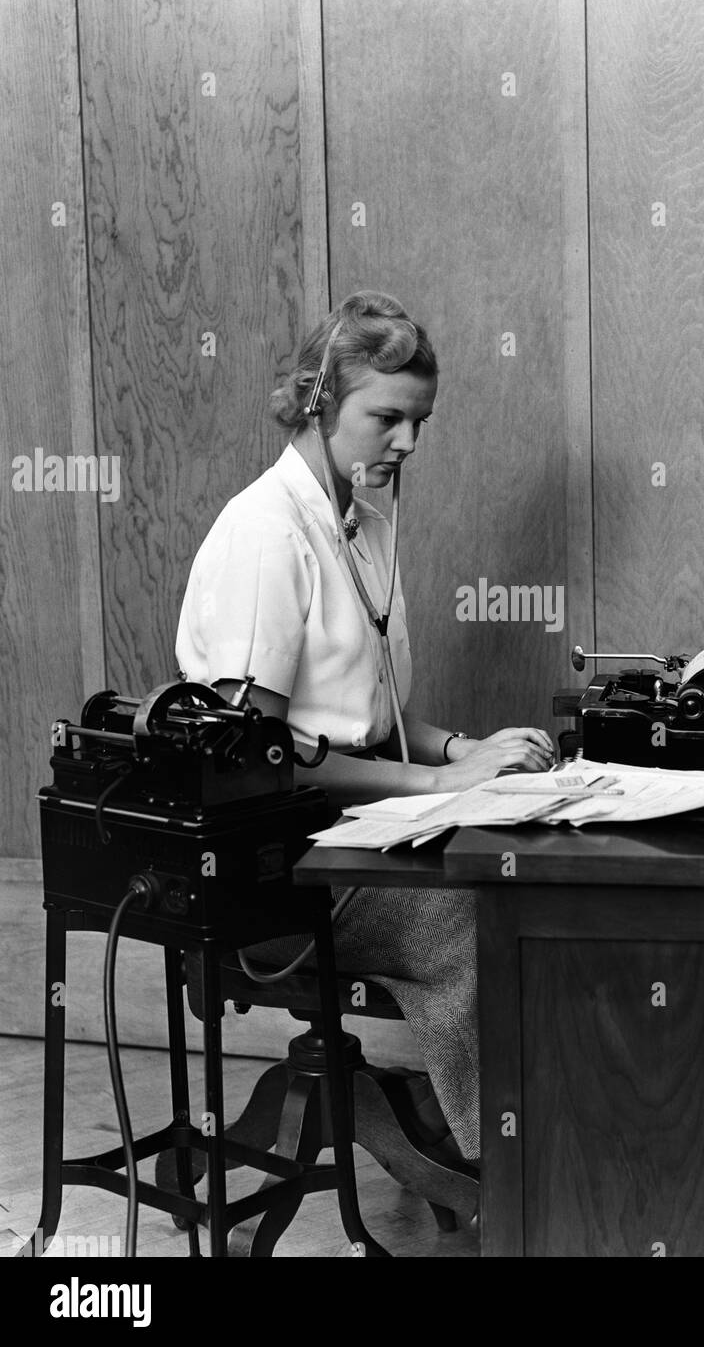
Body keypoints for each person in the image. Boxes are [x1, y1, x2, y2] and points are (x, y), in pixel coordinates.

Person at [175, 290, 555, 1166]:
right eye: (388, 417)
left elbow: (365, 711)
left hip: (358, 832)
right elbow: (256, 763)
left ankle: (551, 1139)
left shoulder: (362, 519)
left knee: (532, 872)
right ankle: (515, 1177)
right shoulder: (265, 535)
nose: (409, 443)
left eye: (420, 421)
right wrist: (434, 784)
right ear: (316, 400)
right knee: (472, 921)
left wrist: (463, 751)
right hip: (276, 868)